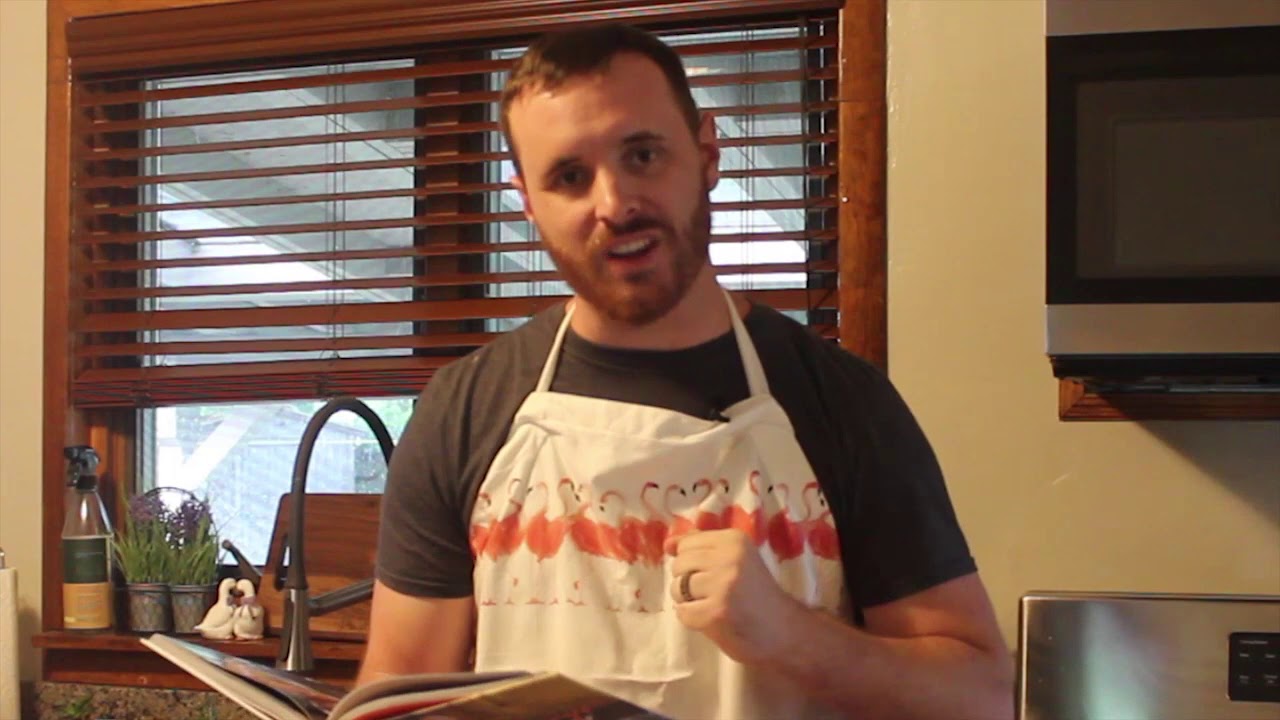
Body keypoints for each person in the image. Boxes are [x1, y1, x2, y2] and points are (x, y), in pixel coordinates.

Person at [357, 23, 1013, 720]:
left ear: (706, 153)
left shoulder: (843, 402)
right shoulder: (464, 410)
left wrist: (790, 636)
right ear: (527, 202)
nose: (615, 204)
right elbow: (395, 696)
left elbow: (982, 698)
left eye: (642, 155)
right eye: (570, 177)